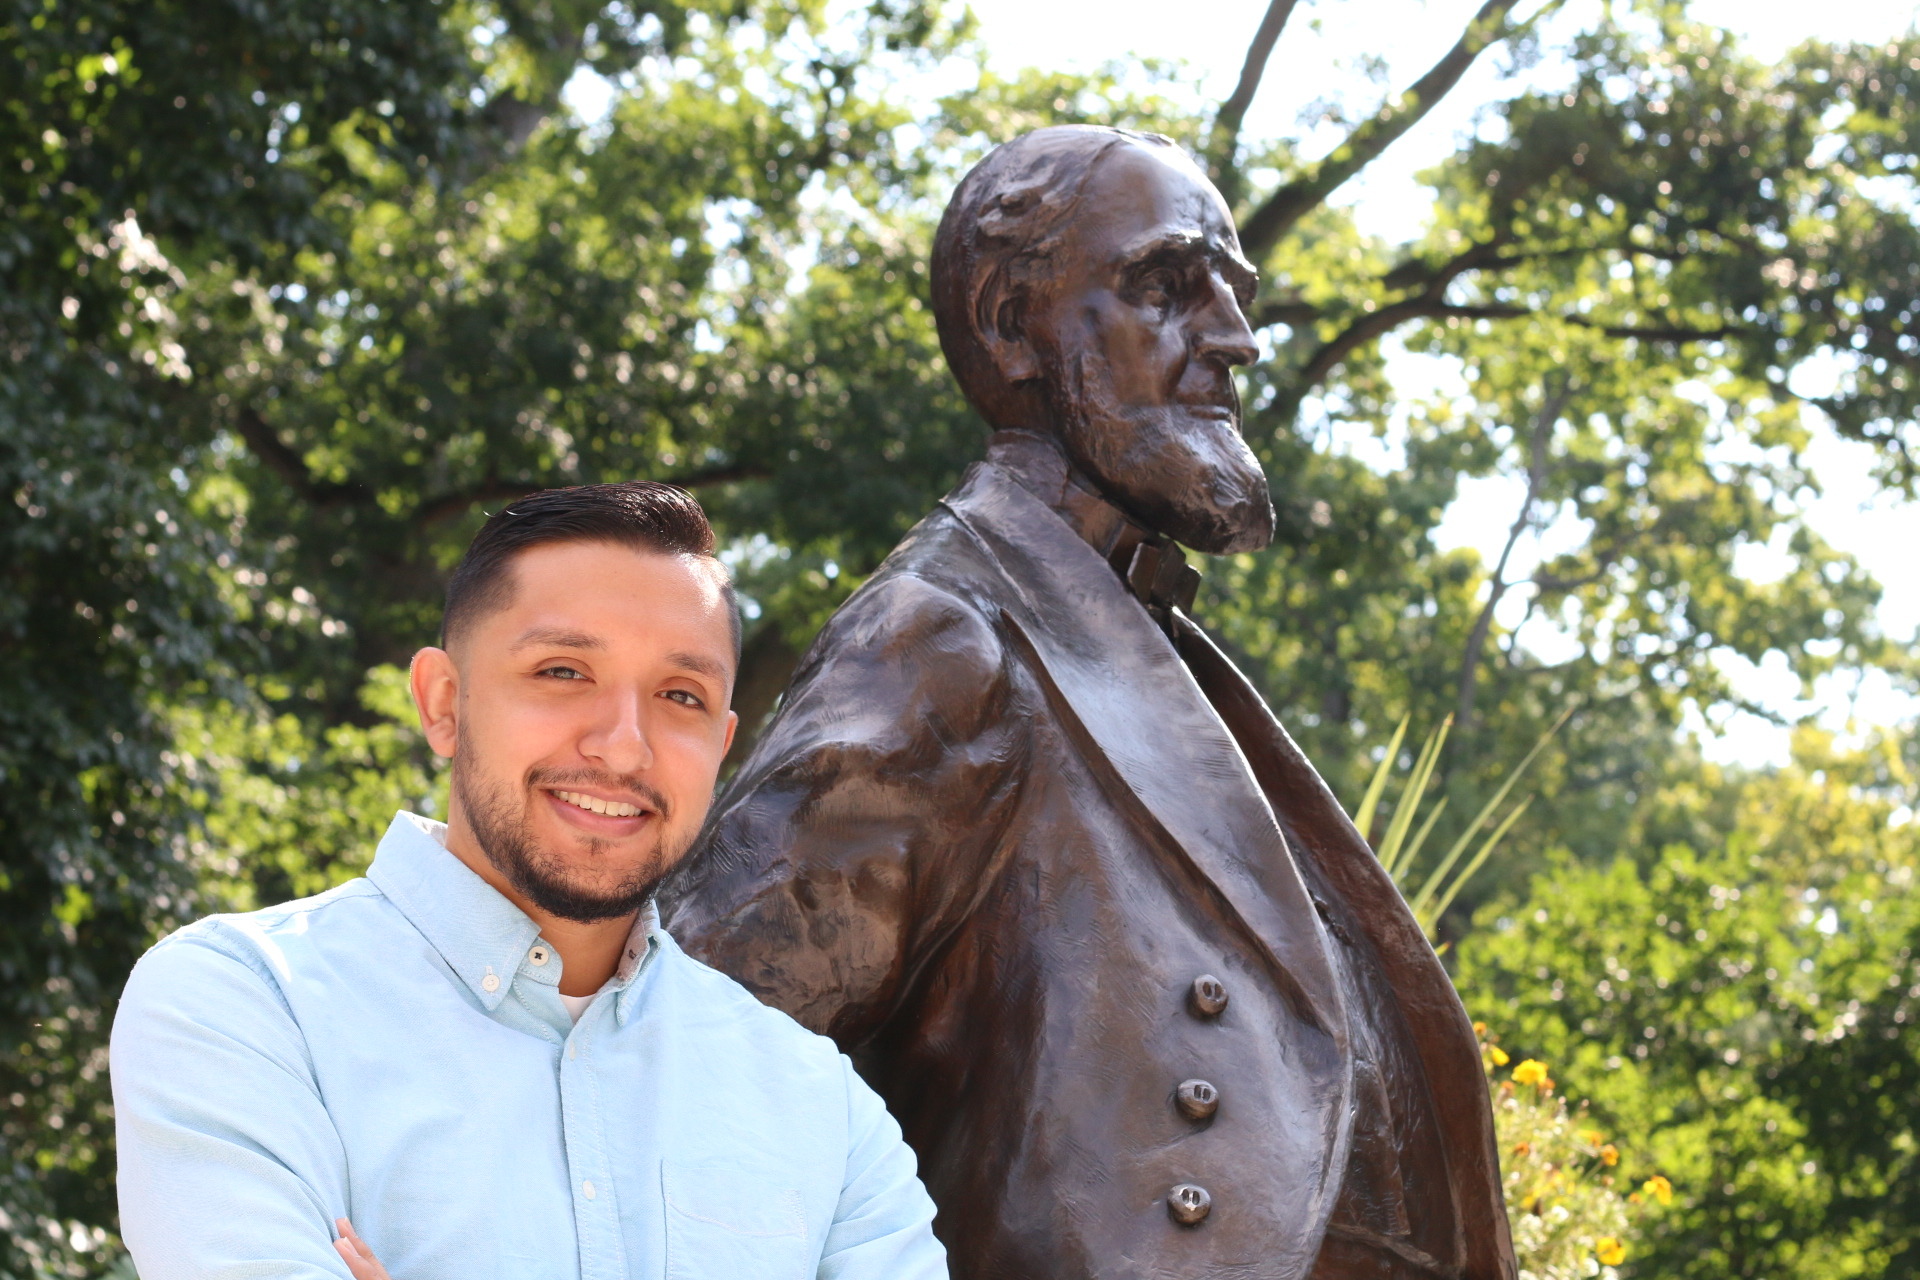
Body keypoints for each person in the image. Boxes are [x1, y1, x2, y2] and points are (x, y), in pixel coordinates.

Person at [666, 126, 1517, 1280]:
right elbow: (681, 1060)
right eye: (1167, 286)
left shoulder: (1155, 653)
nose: (1234, 338)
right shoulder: (942, 634)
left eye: (1234, 291)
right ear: (1013, 324)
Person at [110, 482, 948, 1280]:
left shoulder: (820, 1109)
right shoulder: (244, 1005)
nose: (624, 748)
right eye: (563, 672)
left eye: (680, 695)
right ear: (443, 702)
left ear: (722, 744)